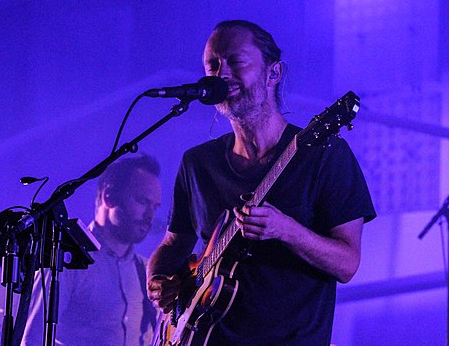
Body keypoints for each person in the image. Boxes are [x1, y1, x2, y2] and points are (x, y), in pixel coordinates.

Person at [146, 20, 376, 346]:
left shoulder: (325, 154)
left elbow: (348, 264)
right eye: (213, 65)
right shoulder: (197, 163)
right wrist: (157, 281)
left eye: (236, 61)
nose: (221, 74)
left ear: (274, 73)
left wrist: (286, 230)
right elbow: (172, 245)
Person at [22, 154, 162, 346]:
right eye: (141, 201)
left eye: (155, 206)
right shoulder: (65, 261)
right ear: (109, 196)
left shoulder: (146, 271)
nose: (150, 215)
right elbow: (33, 341)